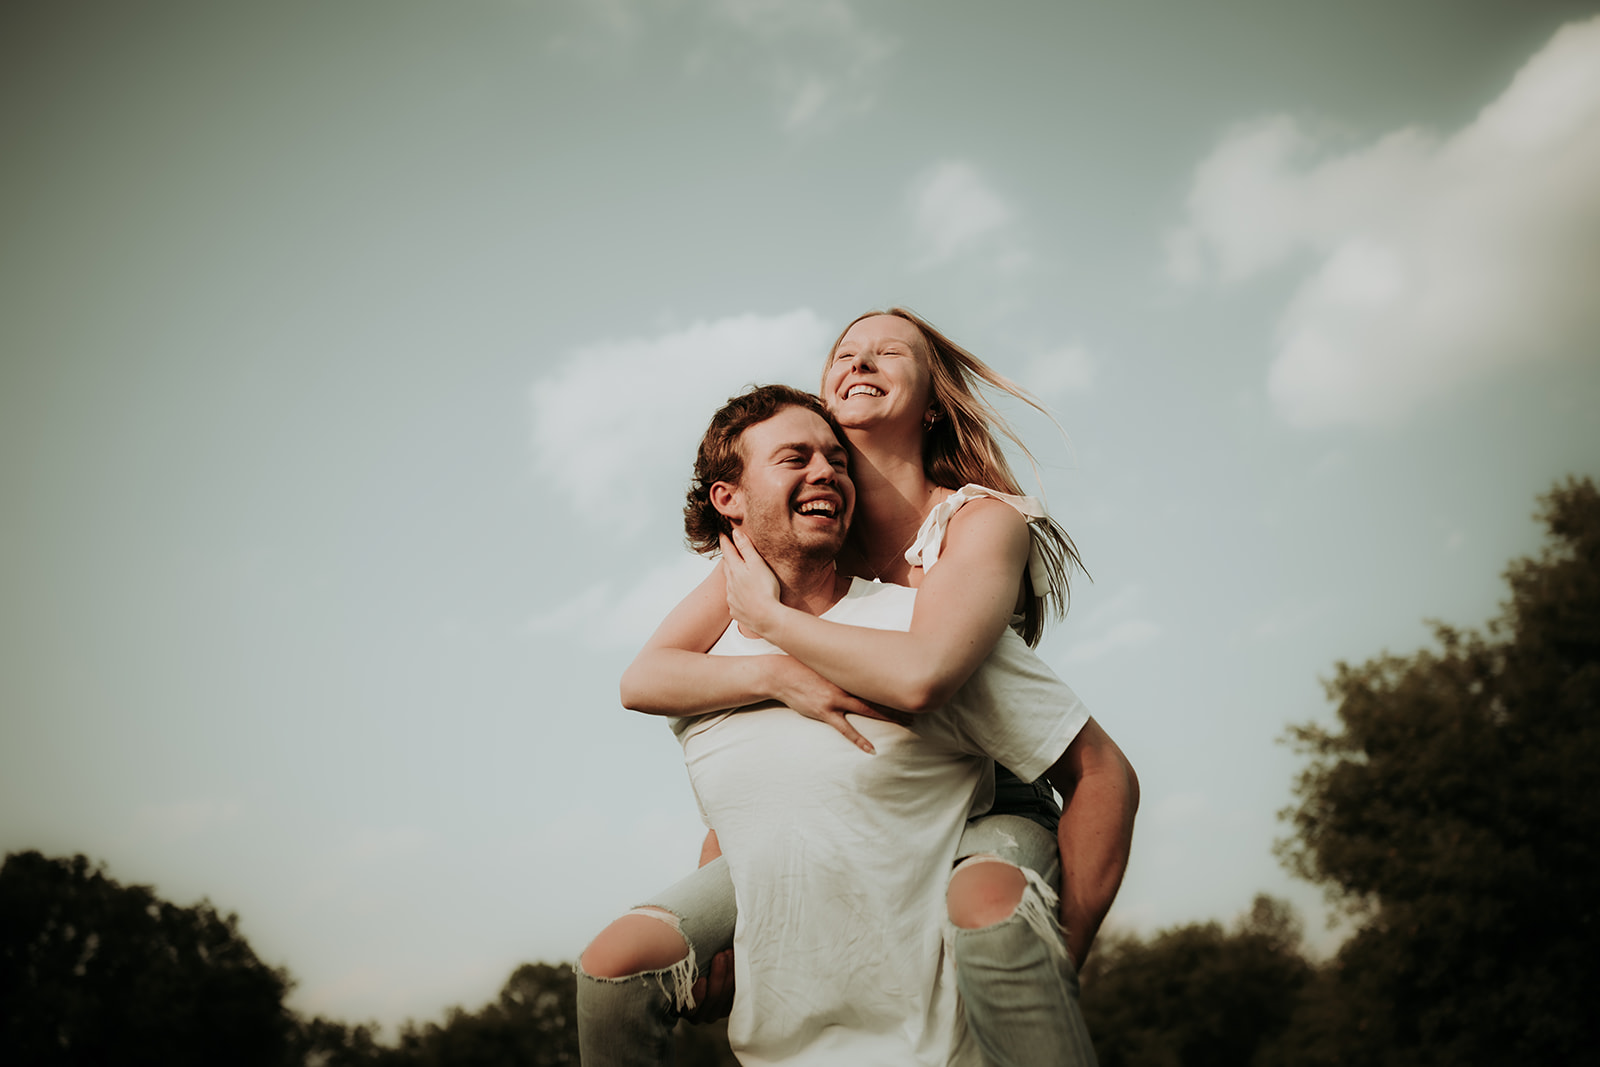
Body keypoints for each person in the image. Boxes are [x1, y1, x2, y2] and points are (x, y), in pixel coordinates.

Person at [580, 312, 1138, 1063]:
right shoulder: (781, 544)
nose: (860, 361)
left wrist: (1053, 962)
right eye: (843, 353)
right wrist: (771, 681)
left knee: (990, 920)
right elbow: (666, 685)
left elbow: (922, 675)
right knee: (618, 961)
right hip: (856, 801)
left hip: (987, 780)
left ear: (934, 401)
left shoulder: (972, 521)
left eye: (888, 353)